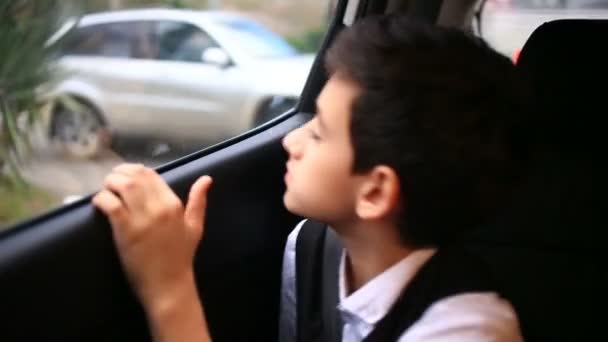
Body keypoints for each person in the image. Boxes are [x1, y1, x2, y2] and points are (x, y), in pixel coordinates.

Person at [93, 14, 529, 342]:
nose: (292, 141)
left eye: (318, 132)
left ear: (375, 191)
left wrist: (170, 289)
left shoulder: (466, 331)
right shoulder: (311, 246)